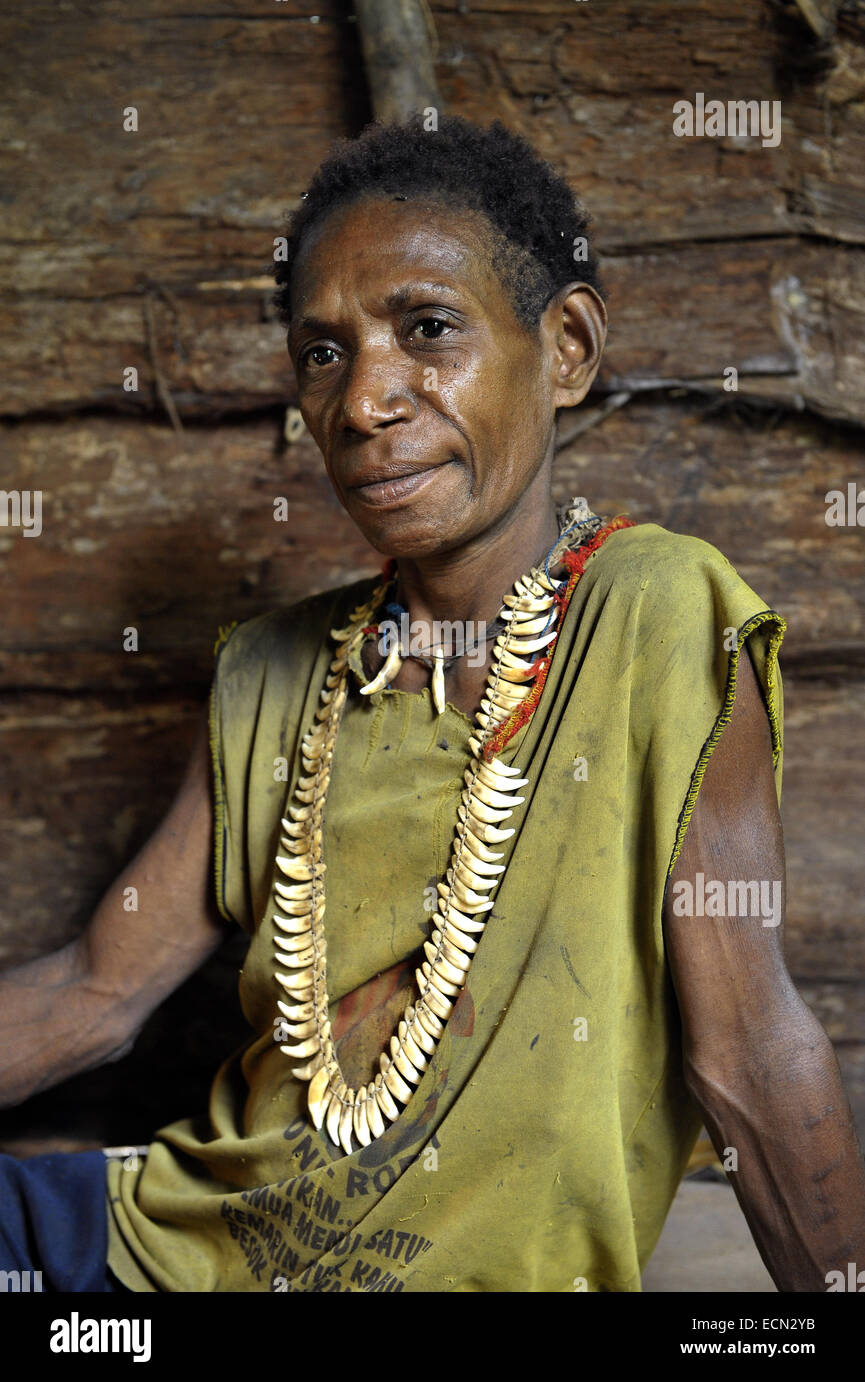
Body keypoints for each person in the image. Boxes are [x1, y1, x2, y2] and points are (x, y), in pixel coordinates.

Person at [2, 114, 864, 1293]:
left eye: (427, 330)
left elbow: (750, 1052)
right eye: (322, 352)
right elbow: (95, 990)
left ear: (565, 348)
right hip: (138, 1251)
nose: (363, 403)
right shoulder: (271, 670)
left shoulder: (658, 615)